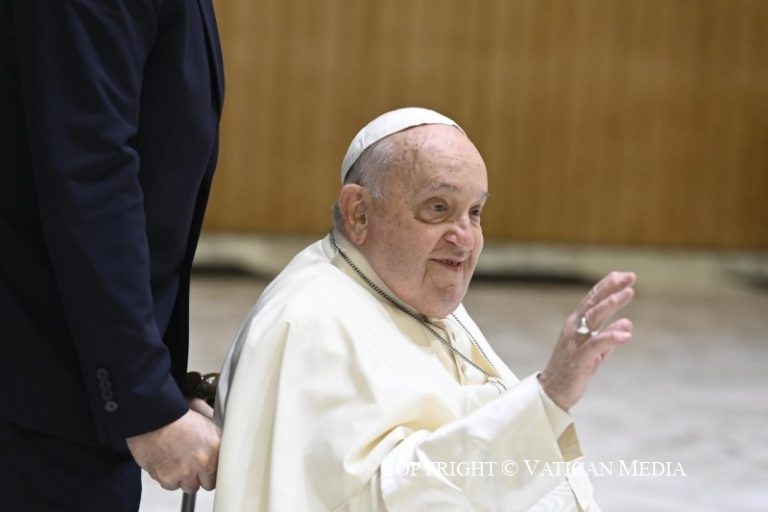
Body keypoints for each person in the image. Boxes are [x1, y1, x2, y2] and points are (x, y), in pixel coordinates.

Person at [214, 107, 636, 511]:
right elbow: (379, 502)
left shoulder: (402, 285)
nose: (465, 238)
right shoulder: (310, 323)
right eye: (438, 208)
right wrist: (547, 399)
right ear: (358, 213)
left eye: (475, 212)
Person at [0, 0, 224, 509]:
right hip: (40, 382)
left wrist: (159, 382)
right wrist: (142, 399)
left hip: (74, 374)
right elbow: (90, 181)